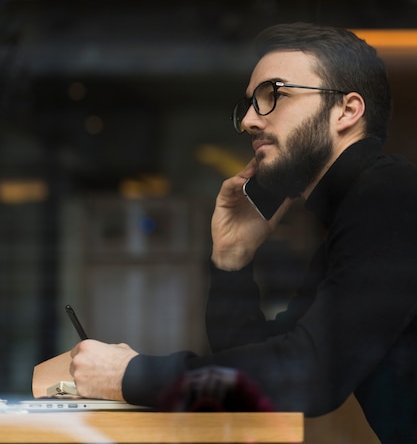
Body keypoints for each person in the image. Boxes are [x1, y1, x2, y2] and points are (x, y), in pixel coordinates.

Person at [70, 23, 417, 443]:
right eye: (251, 103)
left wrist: (129, 375)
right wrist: (231, 260)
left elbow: (307, 376)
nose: (249, 121)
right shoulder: (361, 209)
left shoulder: (391, 195)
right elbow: (268, 370)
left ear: (347, 110)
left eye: (275, 95)